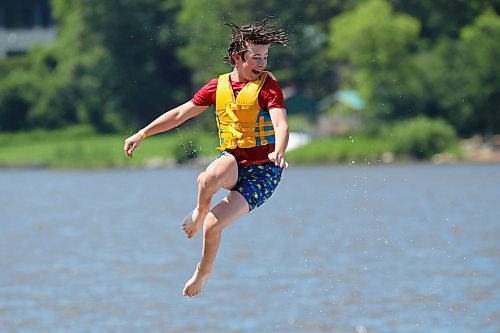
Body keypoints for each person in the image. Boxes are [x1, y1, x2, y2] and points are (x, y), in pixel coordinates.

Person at [123, 18, 289, 297]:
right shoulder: (217, 87)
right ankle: (199, 210)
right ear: (237, 57)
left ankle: (203, 272)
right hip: (235, 161)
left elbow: (281, 124)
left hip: (264, 171)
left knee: (214, 224)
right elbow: (179, 114)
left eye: (265, 57)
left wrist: (280, 149)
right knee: (207, 176)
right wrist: (142, 133)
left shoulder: (268, 88)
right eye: (255, 57)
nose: (261, 63)